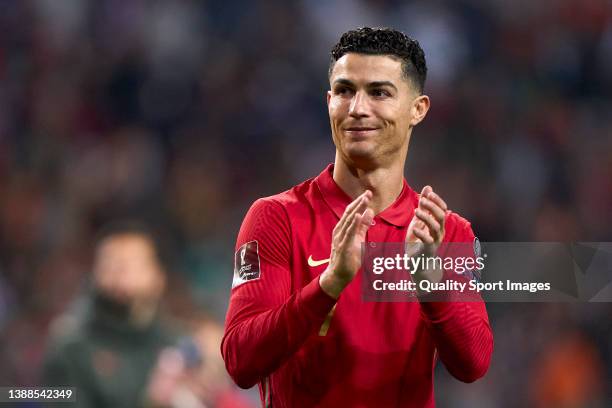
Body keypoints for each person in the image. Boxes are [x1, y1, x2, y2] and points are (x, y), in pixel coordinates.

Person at [221, 27, 493, 407]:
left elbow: (473, 364)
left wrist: (431, 282)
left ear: (418, 109)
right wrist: (329, 284)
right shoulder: (275, 218)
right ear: (329, 101)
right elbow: (240, 360)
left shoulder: (445, 232)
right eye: (345, 91)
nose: (357, 108)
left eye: (379, 92)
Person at [43, 222, 175, 408]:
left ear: (158, 276)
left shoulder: (176, 343)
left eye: (132, 263)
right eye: (110, 262)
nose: (120, 272)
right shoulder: (70, 344)